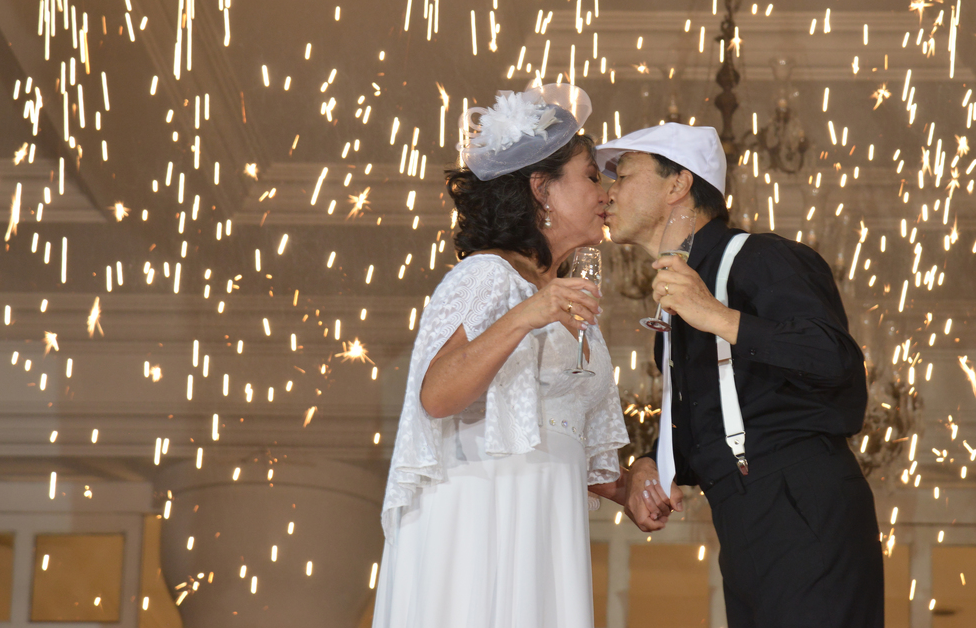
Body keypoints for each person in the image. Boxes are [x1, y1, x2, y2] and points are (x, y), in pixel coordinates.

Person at [596, 123, 883, 628]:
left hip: (801, 504)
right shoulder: (676, 302)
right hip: (740, 519)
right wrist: (650, 465)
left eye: (623, 174)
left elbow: (836, 361)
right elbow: (708, 425)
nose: (609, 191)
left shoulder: (761, 257)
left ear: (678, 184)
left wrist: (717, 317)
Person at [374, 84, 630, 628]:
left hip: (547, 519)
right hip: (484, 516)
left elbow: (555, 428)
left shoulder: (561, 297)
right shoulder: (487, 275)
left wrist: (630, 488)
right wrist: (527, 314)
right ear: (541, 188)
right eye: (591, 176)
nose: (606, 193)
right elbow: (436, 395)